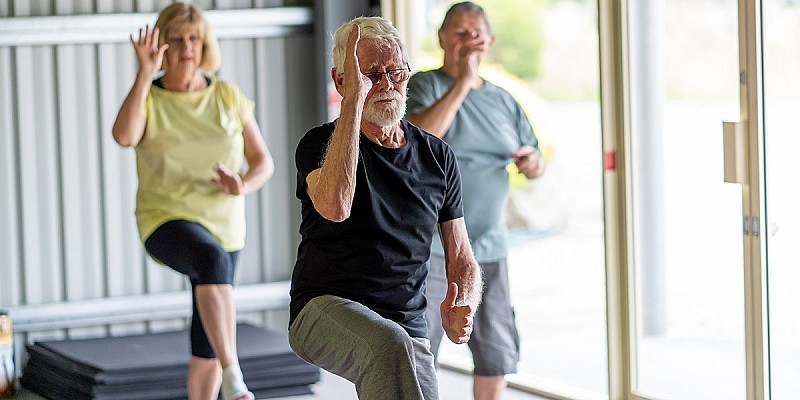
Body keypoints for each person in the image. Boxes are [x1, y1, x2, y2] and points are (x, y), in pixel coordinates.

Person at [288, 16, 483, 400]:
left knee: (401, 360)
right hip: (322, 308)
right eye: (370, 75)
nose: (387, 85)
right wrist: (353, 106)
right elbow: (335, 206)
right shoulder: (317, 145)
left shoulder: (437, 156)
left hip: (405, 325)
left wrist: (466, 302)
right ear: (342, 80)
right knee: (387, 344)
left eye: (395, 72)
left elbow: (462, 257)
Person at [111, 3, 274, 400]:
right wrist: (145, 74)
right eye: (178, 38)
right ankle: (235, 378)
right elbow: (124, 136)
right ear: (162, 46)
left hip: (226, 224)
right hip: (165, 218)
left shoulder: (227, 95)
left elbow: (263, 162)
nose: (187, 46)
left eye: (195, 37)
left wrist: (243, 185)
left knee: (207, 338)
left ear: (205, 44)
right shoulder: (150, 97)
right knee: (210, 261)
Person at [405, 2, 546, 400]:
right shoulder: (424, 86)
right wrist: (463, 82)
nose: (469, 41)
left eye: (476, 34)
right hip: (431, 246)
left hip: (488, 245)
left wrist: (531, 162)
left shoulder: (504, 101)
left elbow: (533, 160)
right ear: (442, 39)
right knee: (420, 350)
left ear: (490, 41)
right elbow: (419, 142)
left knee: (495, 352)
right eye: (459, 33)